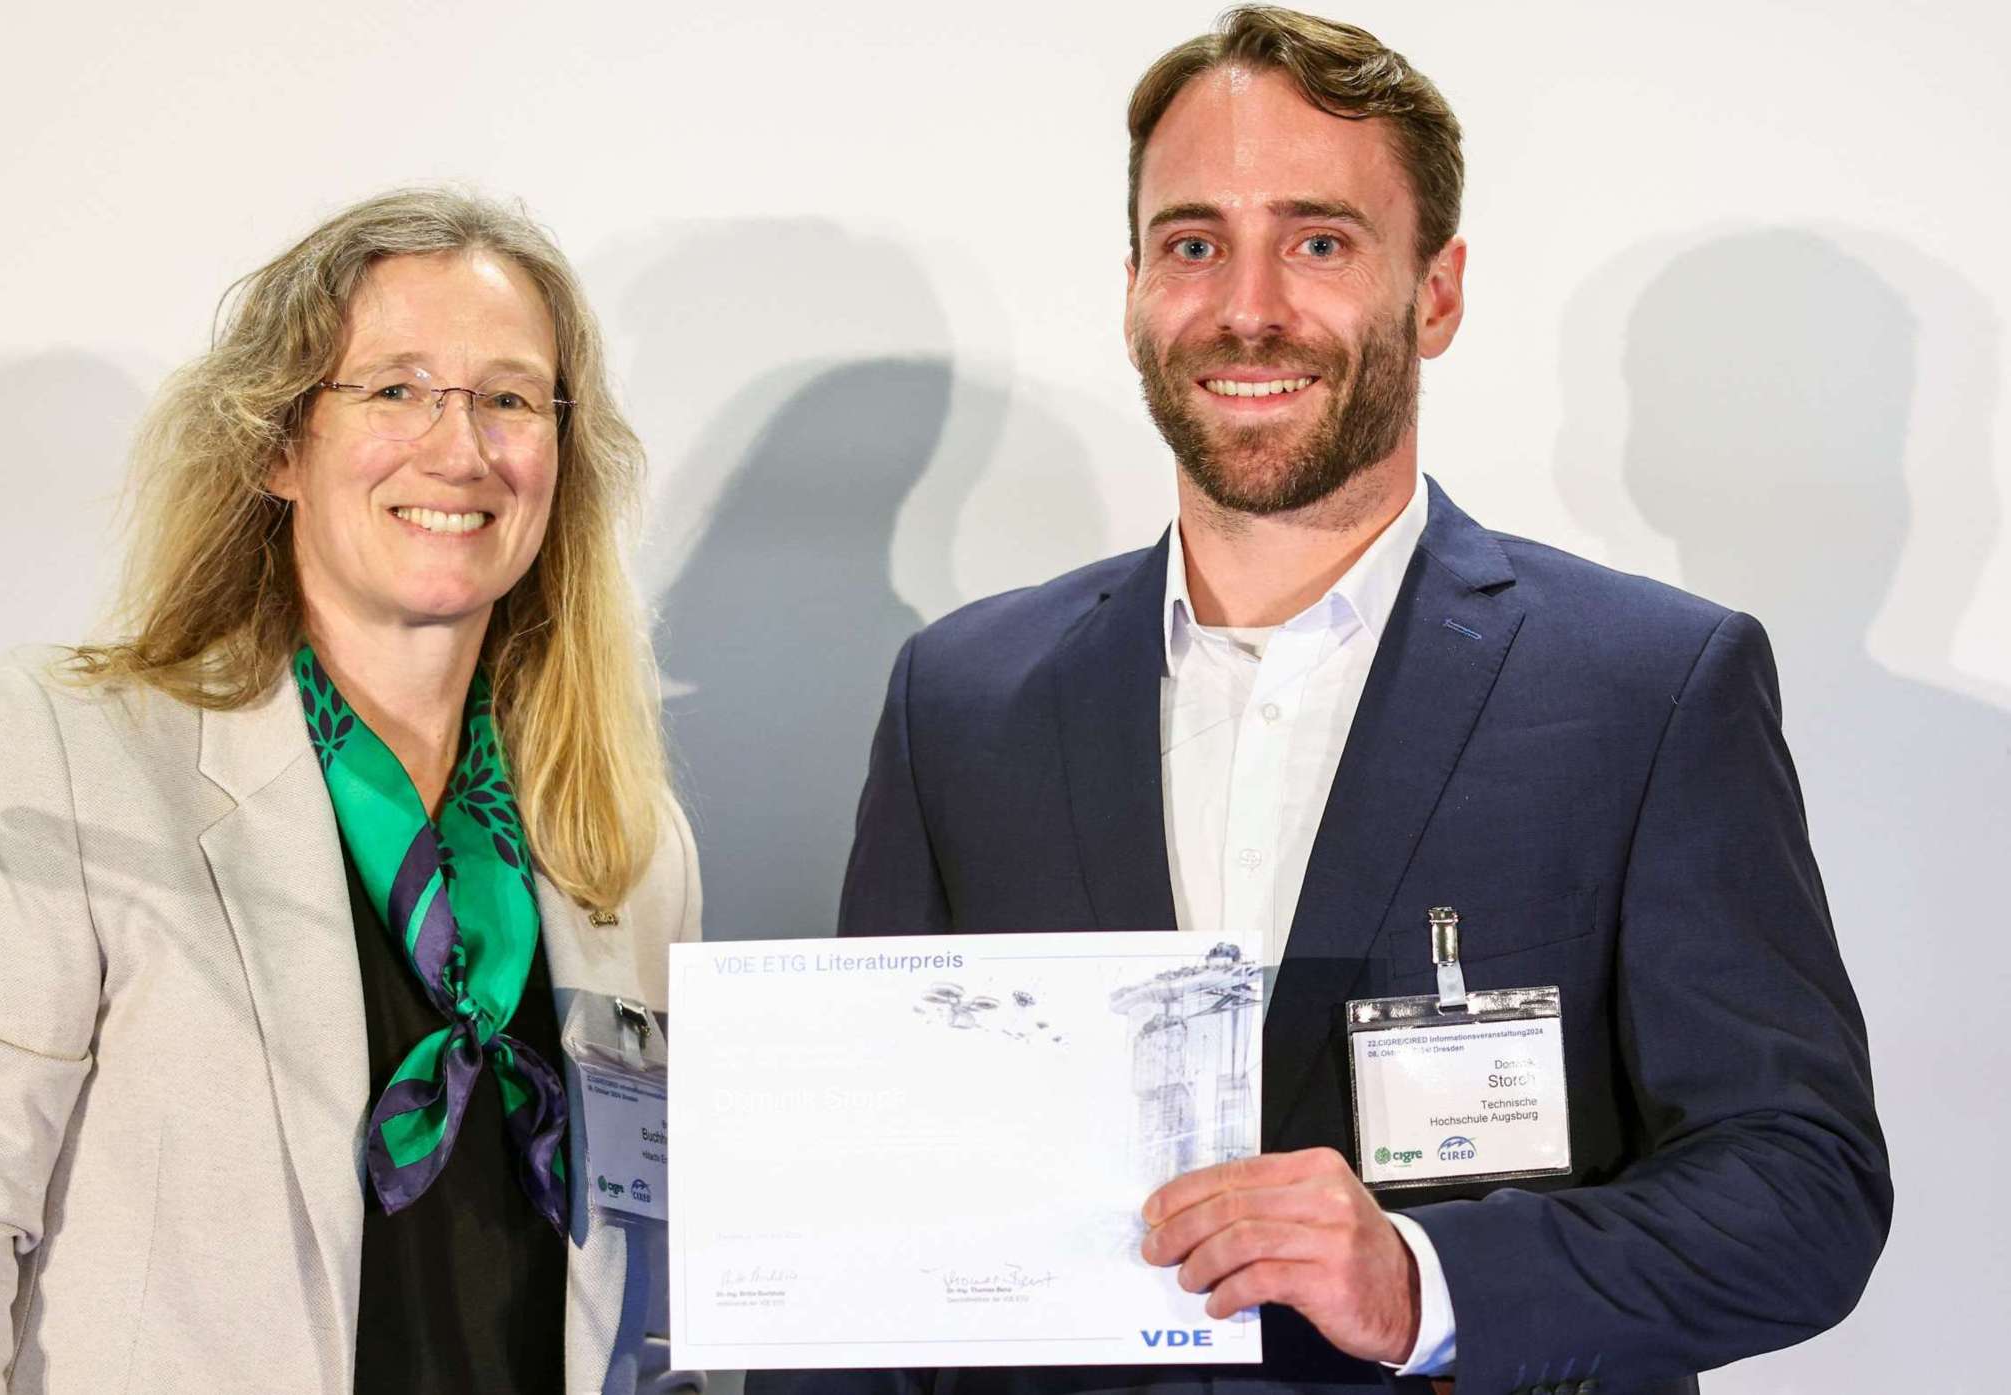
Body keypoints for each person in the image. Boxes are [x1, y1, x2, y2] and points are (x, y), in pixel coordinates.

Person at [751, 9, 1890, 1395]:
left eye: (1320, 241)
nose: (1248, 304)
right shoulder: (964, 699)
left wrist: (1426, 1280)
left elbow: (1802, 1187)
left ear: (1439, 291)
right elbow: (876, 1214)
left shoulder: (1649, 687)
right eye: (1192, 243)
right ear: (1131, 291)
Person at [0, 189, 700, 1395]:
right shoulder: (72, 749)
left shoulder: (627, 840)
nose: (458, 448)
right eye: (395, 388)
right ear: (276, 444)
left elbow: (650, 1289)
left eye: (509, 398)